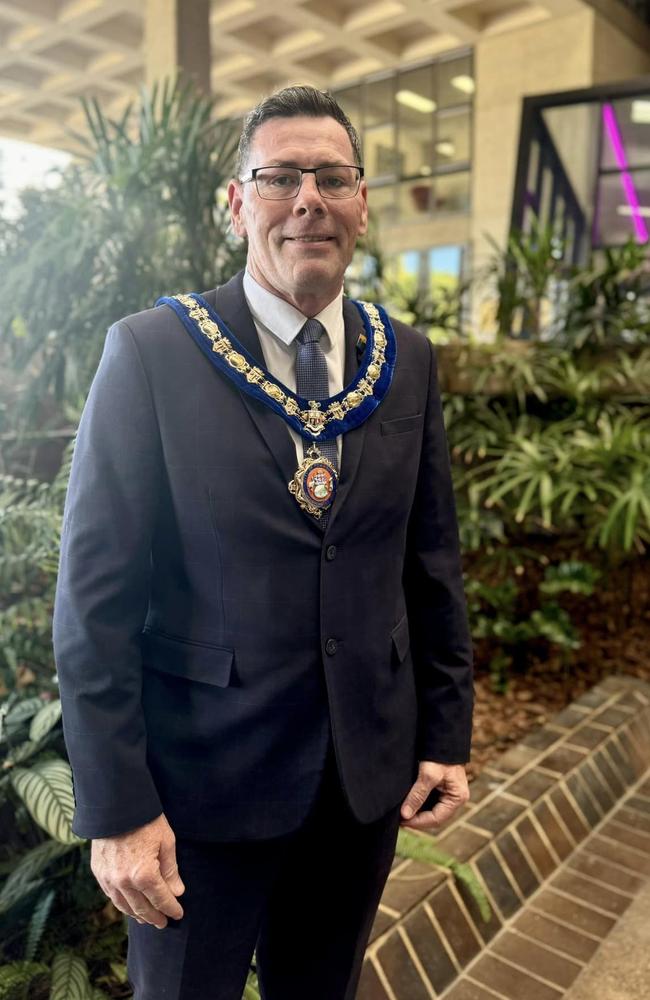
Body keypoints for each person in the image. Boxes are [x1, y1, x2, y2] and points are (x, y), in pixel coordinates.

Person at [53, 85, 474, 1000]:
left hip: (360, 781)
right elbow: (95, 603)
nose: (308, 199)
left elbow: (430, 565)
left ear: (362, 203)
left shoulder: (406, 360)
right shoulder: (153, 354)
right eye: (279, 177)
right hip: (201, 789)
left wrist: (445, 733)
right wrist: (119, 812)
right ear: (237, 203)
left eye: (333, 176)